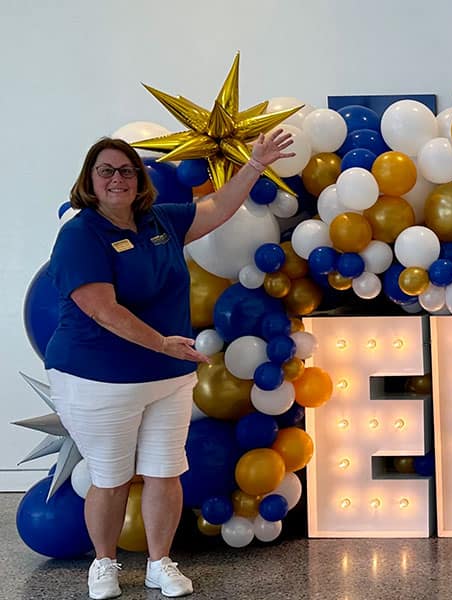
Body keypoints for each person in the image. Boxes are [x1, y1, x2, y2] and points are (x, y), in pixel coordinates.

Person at [45, 130, 294, 599]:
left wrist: (257, 164)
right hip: (97, 378)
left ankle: (161, 563)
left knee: (165, 470)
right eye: (106, 171)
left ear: (139, 180)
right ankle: (104, 565)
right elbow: (102, 308)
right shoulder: (79, 235)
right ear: (90, 181)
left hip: (168, 375)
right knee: (111, 475)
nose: (117, 179)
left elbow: (217, 208)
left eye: (126, 170)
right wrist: (161, 344)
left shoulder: (160, 220)